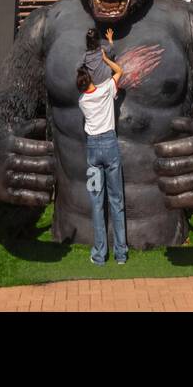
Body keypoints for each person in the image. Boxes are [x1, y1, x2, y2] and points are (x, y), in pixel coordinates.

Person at [76, 45, 127, 266]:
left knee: (97, 202)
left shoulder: (82, 101)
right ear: (91, 79)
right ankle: (121, 254)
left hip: (92, 152)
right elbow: (120, 71)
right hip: (109, 145)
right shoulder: (106, 89)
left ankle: (99, 255)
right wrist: (105, 59)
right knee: (116, 200)